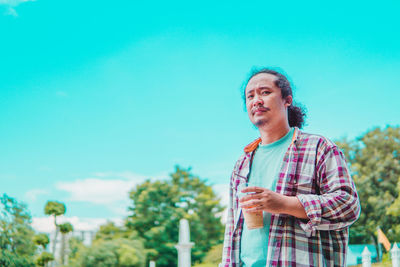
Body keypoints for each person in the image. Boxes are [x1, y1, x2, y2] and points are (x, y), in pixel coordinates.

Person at [220, 68, 360, 267]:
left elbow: (348, 205)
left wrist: (285, 204)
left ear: (287, 100)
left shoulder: (319, 148)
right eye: (250, 96)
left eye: (265, 92)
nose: (256, 100)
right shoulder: (241, 165)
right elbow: (232, 230)